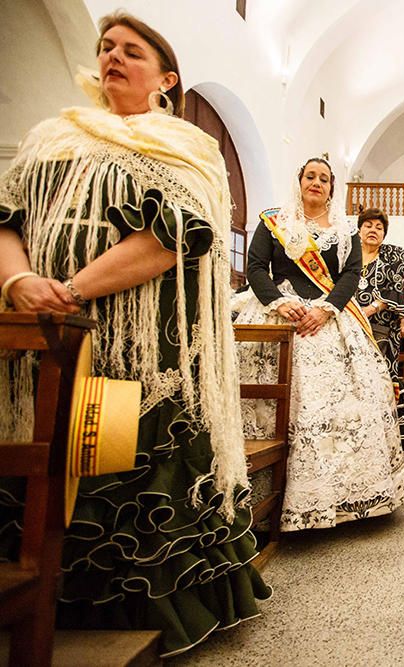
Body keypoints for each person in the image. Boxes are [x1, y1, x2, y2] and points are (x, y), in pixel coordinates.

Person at [0, 12, 270, 656]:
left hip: (140, 346)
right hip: (37, 329)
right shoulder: (50, 139)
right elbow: (6, 218)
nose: (112, 57)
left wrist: (73, 289)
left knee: (120, 456)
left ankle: (142, 612)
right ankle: (33, 590)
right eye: (105, 48)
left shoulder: (184, 148)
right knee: (40, 456)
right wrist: (16, 284)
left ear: (165, 78)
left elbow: (172, 236)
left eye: (131, 51)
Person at [236, 160, 404, 531]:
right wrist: (279, 302)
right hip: (279, 311)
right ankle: (265, 493)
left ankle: (342, 494)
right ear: (298, 181)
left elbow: (350, 274)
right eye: (310, 176)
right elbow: (255, 268)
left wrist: (328, 308)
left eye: (324, 179)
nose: (316, 183)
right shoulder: (274, 221)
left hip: (330, 316)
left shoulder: (345, 229)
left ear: (332, 187)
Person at [355, 208, 404, 454]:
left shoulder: (393, 254)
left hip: (382, 328)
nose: (373, 230)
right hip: (349, 324)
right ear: (360, 229)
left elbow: (396, 289)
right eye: (368, 225)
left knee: (379, 380)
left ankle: (384, 440)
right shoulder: (349, 252)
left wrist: (370, 309)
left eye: (379, 227)